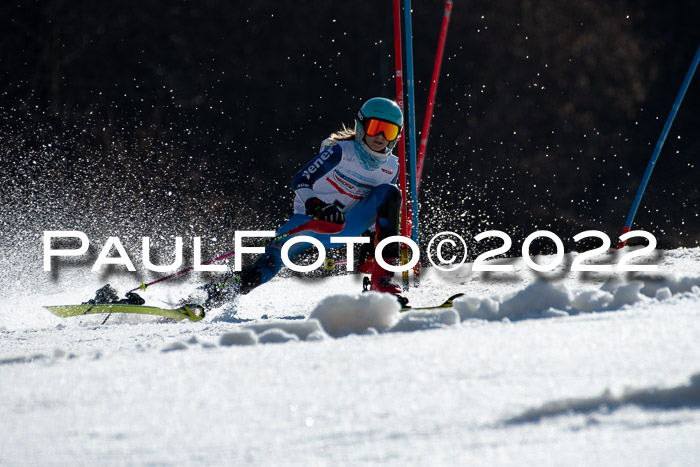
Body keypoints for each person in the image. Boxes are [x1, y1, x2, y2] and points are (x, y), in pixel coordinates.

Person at [194, 97, 408, 309]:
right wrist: (318, 208)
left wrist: (372, 240)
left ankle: (381, 282)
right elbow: (301, 180)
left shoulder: (390, 167)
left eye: (388, 131)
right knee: (270, 264)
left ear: (396, 136)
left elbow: (381, 206)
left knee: (390, 192)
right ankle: (207, 298)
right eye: (375, 128)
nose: (380, 137)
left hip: (344, 227)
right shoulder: (341, 152)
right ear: (362, 126)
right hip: (310, 223)